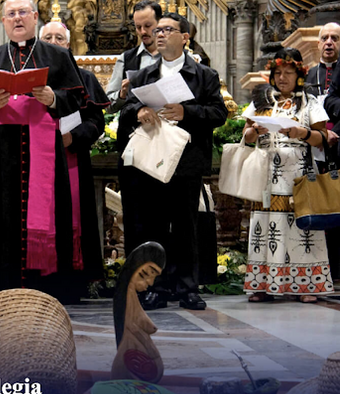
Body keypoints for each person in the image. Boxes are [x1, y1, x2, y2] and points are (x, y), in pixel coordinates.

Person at [0, 0, 87, 303]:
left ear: (35, 17)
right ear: (3, 20)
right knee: (1, 217)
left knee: (49, 215)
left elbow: (76, 100)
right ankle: (1, 290)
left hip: (44, 149)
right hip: (2, 154)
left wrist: (52, 98)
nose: (17, 18)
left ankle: (47, 291)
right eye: (11, 14)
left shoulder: (58, 55)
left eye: (23, 13)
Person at [117, 13, 227, 310]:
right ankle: (158, 287)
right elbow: (124, 112)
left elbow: (219, 113)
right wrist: (138, 112)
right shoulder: (144, 75)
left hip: (186, 160)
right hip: (153, 158)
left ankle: (188, 287)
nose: (160, 34)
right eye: (158, 29)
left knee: (185, 226)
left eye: (168, 29)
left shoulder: (204, 75)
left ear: (185, 36)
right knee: (153, 226)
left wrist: (186, 112)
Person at [243, 48, 334, 303]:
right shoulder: (261, 102)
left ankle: (306, 286)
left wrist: (301, 133)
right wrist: (254, 131)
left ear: (299, 76)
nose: (282, 78)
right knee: (266, 228)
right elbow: (247, 136)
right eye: (278, 73)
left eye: (288, 73)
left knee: (301, 228)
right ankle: (263, 285)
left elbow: (323, 139)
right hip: (267, 174)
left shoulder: (309, 102)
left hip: (299, 175)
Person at [39, 21, 107, 301]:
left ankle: (71, 281)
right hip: (37, 163)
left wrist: (74, 137)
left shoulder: (85, 78)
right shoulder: (29, 77)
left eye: (59, 37)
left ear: (68, 44)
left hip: (71, 160)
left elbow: (96, 122)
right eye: (48, 37)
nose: (54, 41)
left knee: (73, 218)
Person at [308, 23, 340, 284]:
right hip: (314, 148)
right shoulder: (308, 75)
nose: (329, 42)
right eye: (325, 38)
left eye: (335, 38)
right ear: (318, 44)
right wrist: (316, 134)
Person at [106, 0, 161, 114]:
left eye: (148, 26)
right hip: (136, 125)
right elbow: (109, 106)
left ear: (160, 23)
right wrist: (122, 94)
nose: (143, 32)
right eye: (138, 27)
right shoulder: (126, 59)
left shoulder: (176, 56)